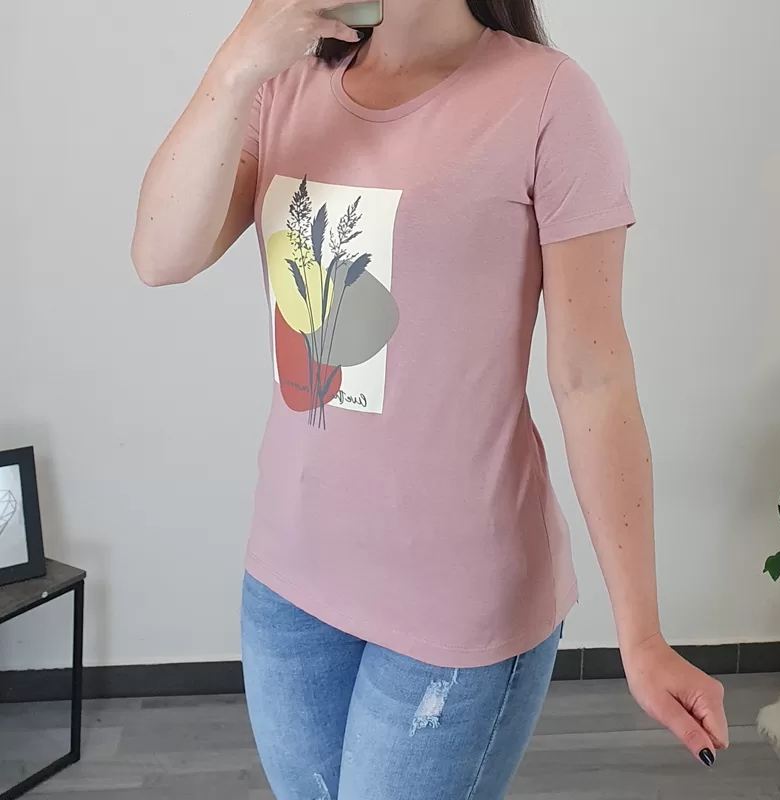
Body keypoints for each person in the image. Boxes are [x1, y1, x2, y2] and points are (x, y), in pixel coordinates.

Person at [131, 1, 729, 797]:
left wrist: (641, 634)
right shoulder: (284, 86)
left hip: (461, 602)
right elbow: (160, 257)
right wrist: (240, 60)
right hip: (288, 582)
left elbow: (593, 379)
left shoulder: (548, 100)